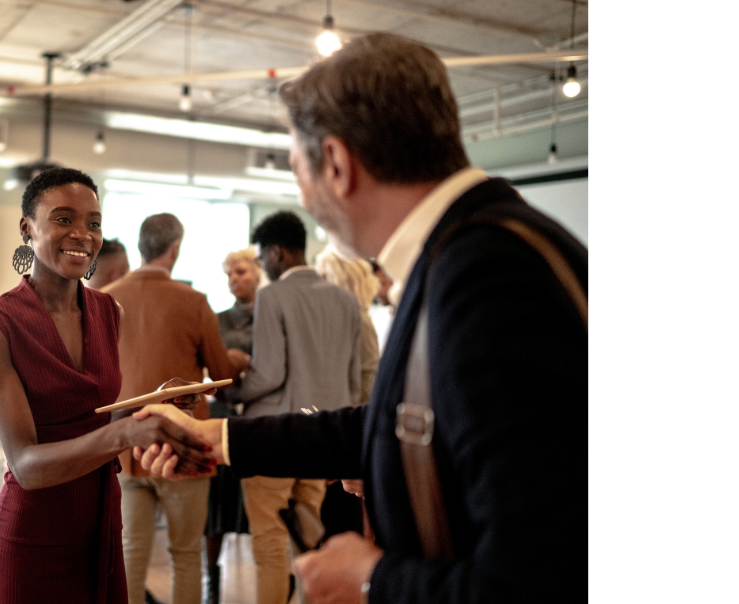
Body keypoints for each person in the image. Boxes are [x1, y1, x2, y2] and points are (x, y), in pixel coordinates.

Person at [132, 33, 587, 604]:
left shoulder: (488, 276)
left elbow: (540, 576)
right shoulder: (470, 252)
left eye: (299, 170)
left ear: (338, 165)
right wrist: (212, 439)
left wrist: (373, 579)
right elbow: (383, 423)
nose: (304, 193)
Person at [0, 168, 215, 604]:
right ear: (28, 228)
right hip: (31, 544)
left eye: (93, 223)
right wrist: (126, 432)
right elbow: (26, 464)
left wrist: (154, 402)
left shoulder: (109, 311)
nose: (82, 234)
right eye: (63, 219)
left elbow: (93, 419)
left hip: (101, 529)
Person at [101, 213, 249, 604]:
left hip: (127, 445)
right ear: (175, 250)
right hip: (184, 444)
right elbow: (220, 372)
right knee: (185, 554)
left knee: (131, 551)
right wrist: (238, 358)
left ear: (140, 246)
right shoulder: (194, 301)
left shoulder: (109, 298)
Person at [224, 210, 361, 604]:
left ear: (278, 253)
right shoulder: (346, 300)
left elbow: (269, 374)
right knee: (311, 542)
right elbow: (353, 381)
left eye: (263, 257)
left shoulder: (273, 295)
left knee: (269, 544)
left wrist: (232, 394)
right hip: (324, 438)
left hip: (276, 435)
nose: (262, 266)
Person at [203, 247, 260, 604]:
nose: (233, 279)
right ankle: (212, 582)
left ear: (257, 273)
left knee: (262, 509)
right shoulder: (218, 319)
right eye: (228, 274)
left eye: (240, 272)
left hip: (259, 417)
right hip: (222, 416)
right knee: (215, 507)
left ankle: (273, 582)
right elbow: (210, 369)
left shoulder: (273, 315)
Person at [314, 246, 381, 405]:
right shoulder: (328, 320)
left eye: (323, 277)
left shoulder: (360, 320)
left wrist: (353, 414)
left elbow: (369, 373)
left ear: (341, 280)